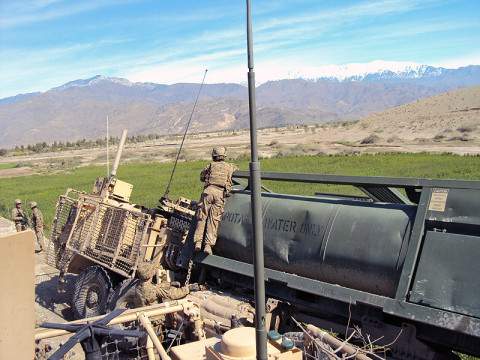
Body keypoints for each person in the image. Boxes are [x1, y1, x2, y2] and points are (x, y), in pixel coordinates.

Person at [193, 146, 238, 255]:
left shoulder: (209, 166)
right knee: (214, 220)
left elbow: (202, 177)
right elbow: (234, 171)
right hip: (219, 194)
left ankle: (198, 243)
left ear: (214, 156)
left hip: (208, 192)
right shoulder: (229, 167)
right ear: (224, 156)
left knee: (202, 217)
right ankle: (208, 245)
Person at [134, 261, 201, 307]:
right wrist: (187, 289)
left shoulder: (138, 286)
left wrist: (169, 284)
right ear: (151, 273)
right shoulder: (154, 290)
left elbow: (154, 287)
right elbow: (172, 294)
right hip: (154, 320)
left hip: (144, 315)